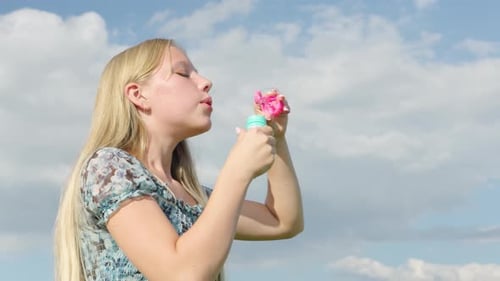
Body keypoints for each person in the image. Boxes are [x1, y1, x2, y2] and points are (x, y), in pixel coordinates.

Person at [54, 38, 303, 281]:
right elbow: (181, 275)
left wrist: (276, 139)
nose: (206, 82)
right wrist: (237, 173)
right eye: (183, 74)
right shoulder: (110, 167)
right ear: (138, 94)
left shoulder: (189, 194)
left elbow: (283, 221)